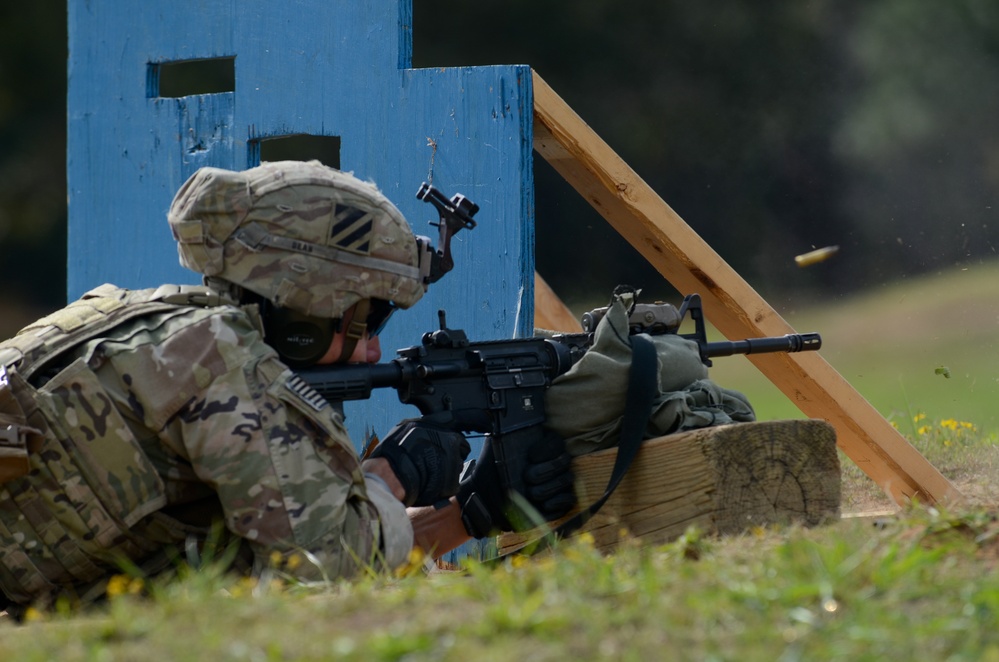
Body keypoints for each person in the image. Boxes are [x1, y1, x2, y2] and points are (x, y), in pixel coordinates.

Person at [0, 160, 575, 611]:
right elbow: (328, 571)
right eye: (365, 321)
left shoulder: (130, 318)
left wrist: (468, 516)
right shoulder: (225, 364)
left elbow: (262, 565)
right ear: (307, 311)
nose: (374, 349)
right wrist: (389, 479)